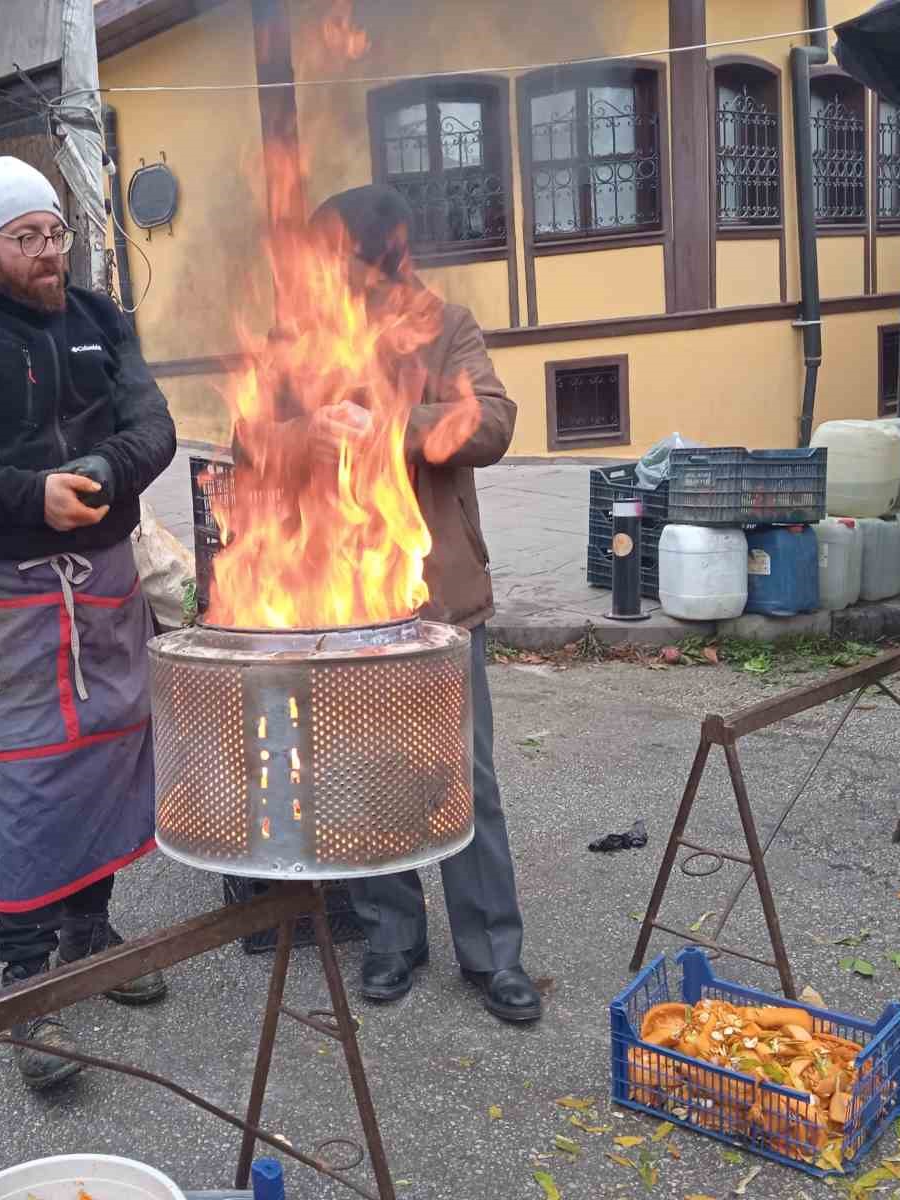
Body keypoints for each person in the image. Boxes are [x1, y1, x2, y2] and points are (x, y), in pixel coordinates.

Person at [0, 156, 178, 1089]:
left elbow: (154, 427)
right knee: (22, 768)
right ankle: (26, 988)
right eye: (29, 238)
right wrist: (27, 496)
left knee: (109, 745)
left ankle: (90, 935)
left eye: (56, 233)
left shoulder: (100, 321)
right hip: (9, 586)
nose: (50, 253)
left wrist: (101, 472)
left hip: (104, 578)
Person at [303, 185, 540, 1023]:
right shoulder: (304, 334)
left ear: (381, 256)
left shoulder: (447, 325)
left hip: (436, 600)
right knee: (367, 775)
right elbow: (252, 437)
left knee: (463, 778)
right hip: (342, 601)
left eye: (337, 257)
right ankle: (391, 936)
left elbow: (494, 424)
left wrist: (388, 424)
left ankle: (492, 953)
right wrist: (307, 434)